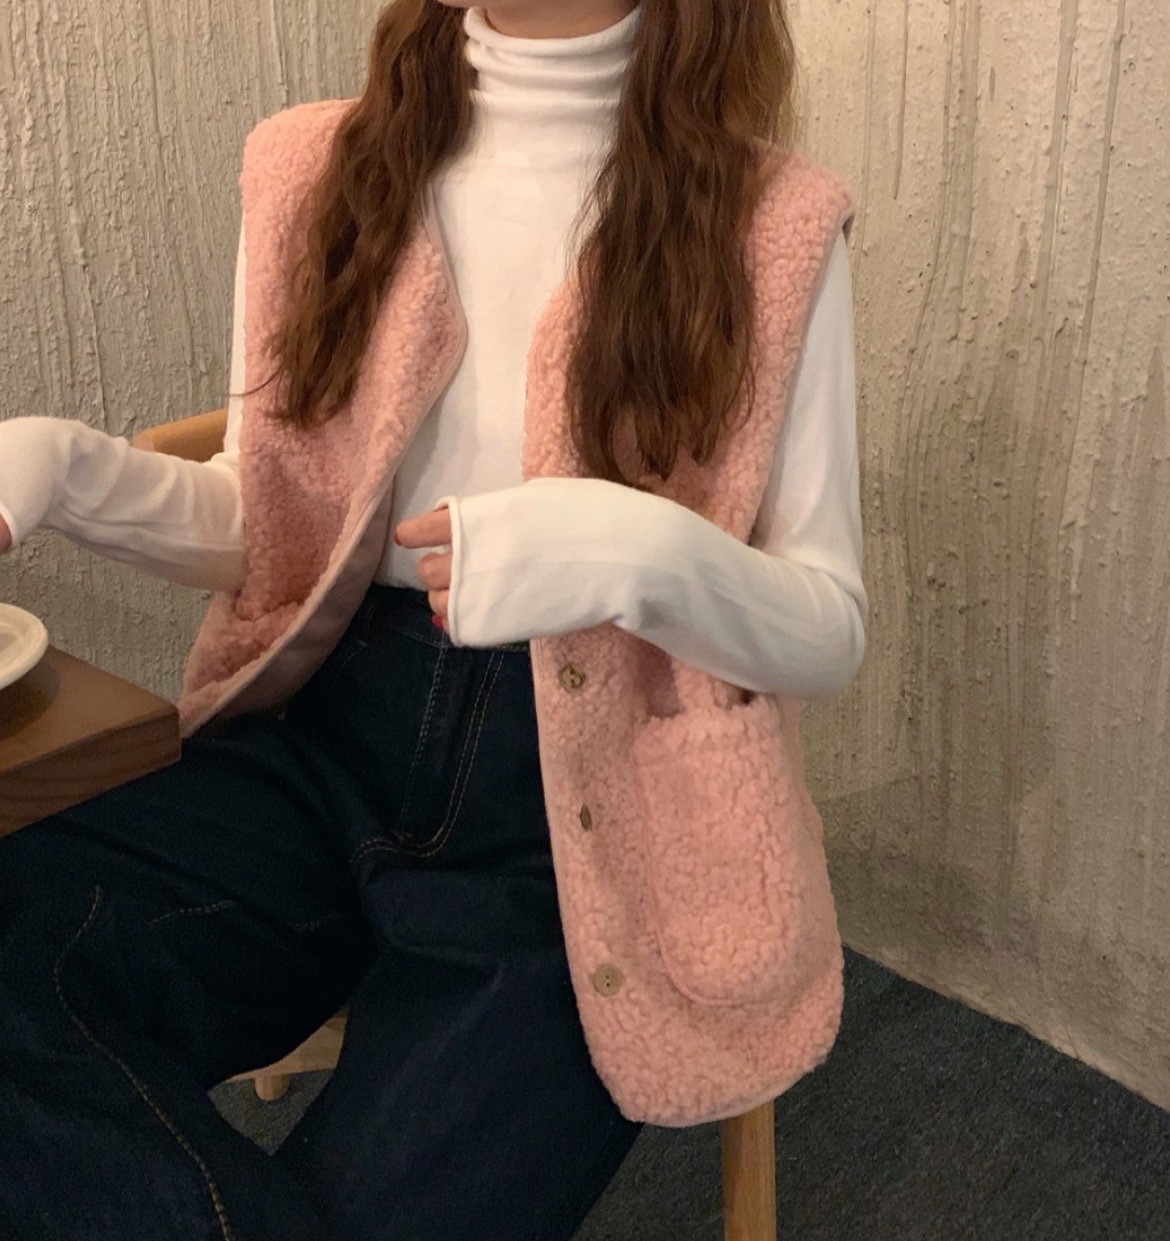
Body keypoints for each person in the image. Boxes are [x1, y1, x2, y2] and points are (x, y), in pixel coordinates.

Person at [0, 1, 867, 1237]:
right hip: (314, 737)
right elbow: (277, 522)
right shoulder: (309, 169)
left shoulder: (775, 225)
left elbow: (827, 624)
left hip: (590, 820)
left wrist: (635, 550)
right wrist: (65, 469)